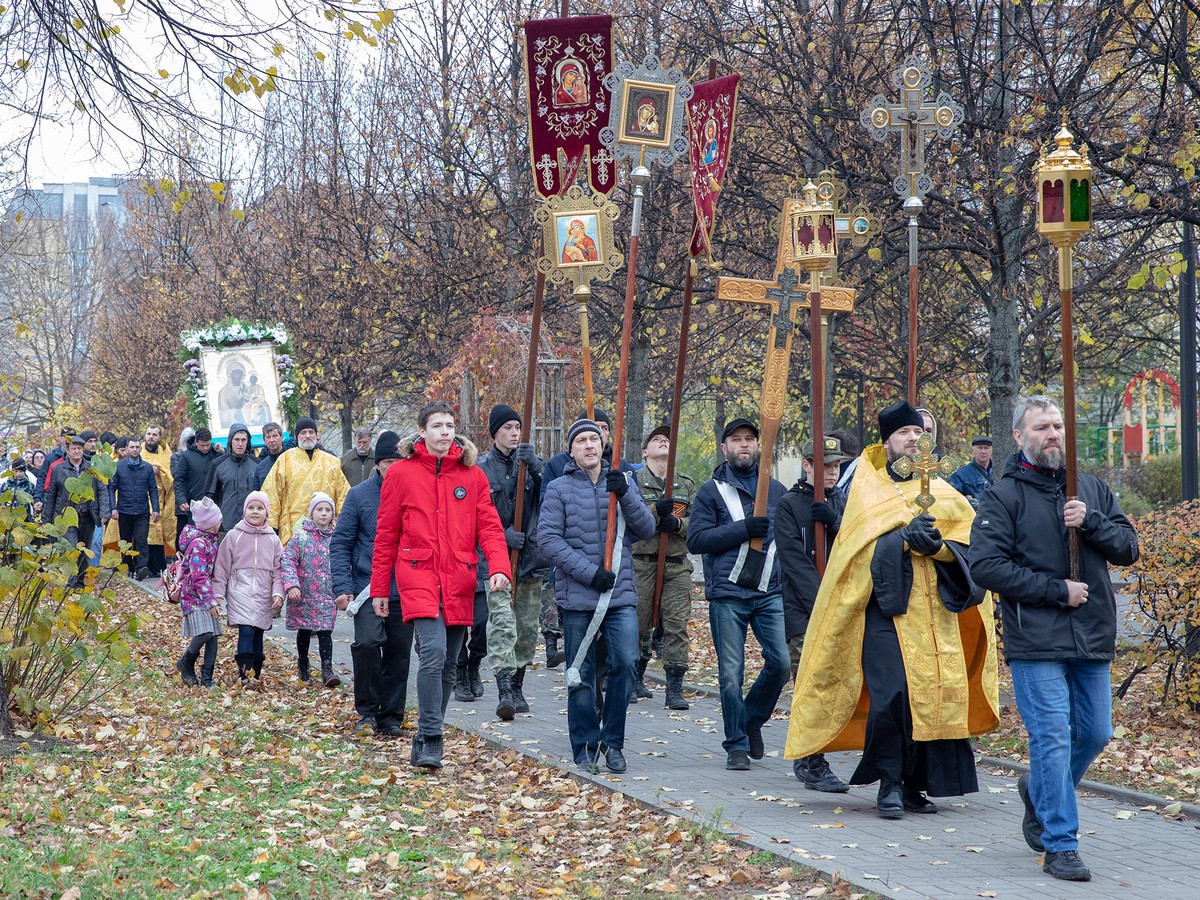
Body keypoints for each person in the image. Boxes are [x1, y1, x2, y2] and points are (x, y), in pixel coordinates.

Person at [784, 400, 999, 819]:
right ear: (888, 442)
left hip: (936, 613)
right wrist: (900, 539)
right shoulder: (868, 489)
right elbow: (854, 554)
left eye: (920, 434)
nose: (914, 440)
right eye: (905, 434)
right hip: (884, 610)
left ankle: (917, 786)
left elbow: (971, 546)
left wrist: (938, 548)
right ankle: (889, 784)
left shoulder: (943, 488)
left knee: (933, 697)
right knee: (894, 695)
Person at [969, 396, 1138, 882]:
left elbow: (1128, 549)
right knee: (1051, 739)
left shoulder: (1091, 489)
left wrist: (1090, 521)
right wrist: (1055, 591)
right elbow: (986, 566)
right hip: (1035, 636)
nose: (1053, 434)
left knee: (1095, 733)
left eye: (1058, 426)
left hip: (1092, 636)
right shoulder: (1003, 496)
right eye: (1042, 427)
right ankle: (1060, 844)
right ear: (1020, 437)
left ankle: (1037, 791)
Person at [370, 401, 512, 769]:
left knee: (451, 661)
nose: (445, 431)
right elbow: (386, 535)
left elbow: (490, 527)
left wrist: (499, 567)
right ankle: (433, 735)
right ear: (422, 431)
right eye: (437, 425)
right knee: (432, 650)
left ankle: (425, 733)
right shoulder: (400, 474)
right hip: (417, 573)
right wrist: (379, 589)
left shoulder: (472, 476)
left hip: (459, 577)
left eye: (450, 425)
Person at [538, 418, 656, 774]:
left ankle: (614, 742)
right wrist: (591, 574)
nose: (590, 445)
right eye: (582, 441)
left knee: (625, 663)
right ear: (571, 450)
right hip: (578, 598)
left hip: (620, 597)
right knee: (582, 675)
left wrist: (627, 495)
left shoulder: (622, 482)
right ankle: (585, 746)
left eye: (595, 438)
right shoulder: (558, 488)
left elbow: (646, 529)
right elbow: (548, 541)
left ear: (604, 444)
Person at [687, 418, 790, 771]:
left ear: (758, 446)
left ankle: (751, 720)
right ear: (724, 448)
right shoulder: (710, 491)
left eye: (749, 439)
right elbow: (697, 540)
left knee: (781, 663)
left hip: (768, 590)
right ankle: (736, 743)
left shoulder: (776, 489)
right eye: (736, 440)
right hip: (727, 593)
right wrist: (743, 529)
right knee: (731, 672)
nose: (743, 445)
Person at [774, 434, 853, 793]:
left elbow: (857, 547)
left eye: (836, 465)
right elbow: (793, 561)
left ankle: (813, 757)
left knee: (835, 683)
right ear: (807, 466)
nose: (832, 472)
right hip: (805, 610)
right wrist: (824, 603)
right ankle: (812, 761)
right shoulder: (789, 505)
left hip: (844, 607)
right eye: (825, 466)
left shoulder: (845, 502)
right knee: (810, 682)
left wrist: (835, 521)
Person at [332, 431, 414, 736]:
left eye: (397, 461)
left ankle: (391, 715)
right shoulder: (358, 495)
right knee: (366, 644)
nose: (392, 468)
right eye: (387, 462)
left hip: (404, 586)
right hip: (367, 586)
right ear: (377, 464)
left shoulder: (413, 493)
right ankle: (367, 711)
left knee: (399, 651)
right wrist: (342, 587)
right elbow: (341, 543)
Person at [470, 404, 547, 720]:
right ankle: (503, 689)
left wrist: (538, 468)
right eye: (508, 427)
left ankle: (517, 685)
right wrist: (502, 536)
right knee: (502, 621)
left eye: (518, 426)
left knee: (527, 628)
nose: (515, 432)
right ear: (495, 433)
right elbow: (473, 516)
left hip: (529, 560)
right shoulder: (481, 469)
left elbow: (553, 497)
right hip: (496, 560)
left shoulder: (531, 465)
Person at [631, 425, 696, 710]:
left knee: (676, 626)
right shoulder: (634, 482)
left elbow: (700, 523)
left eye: (667, 439)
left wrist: (679, 524)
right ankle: (633, 677)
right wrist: (656, 511)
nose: (663, 441)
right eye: (656, 439)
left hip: (676, 566)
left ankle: (674, 687)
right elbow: (630, 519)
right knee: (637, 624)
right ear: (645, 452)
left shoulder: (686, 484)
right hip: (642, 564)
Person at [214, 491, 284, 685]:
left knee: (258, 633)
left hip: (263, 592)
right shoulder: (233, 536)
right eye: (251, 508)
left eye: (260, 508)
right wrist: (218, 594)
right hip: (240, 591)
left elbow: (280, 570)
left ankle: (256, 675)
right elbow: (221, 567)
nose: (255, 512)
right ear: (245, 511)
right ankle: (246, 675)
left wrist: (278, 592)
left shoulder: (273, 540)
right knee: (246, 631)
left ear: (267, 512)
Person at [282, 492, 341, 687]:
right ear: (311, 513)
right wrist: (291, 585)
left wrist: (342, 589)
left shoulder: (337, 539)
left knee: (325, 631)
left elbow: (343, 563)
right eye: (319, 509)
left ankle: (327, 669)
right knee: (304, 630)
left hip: (326, 594)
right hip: (303, 594)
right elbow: (288, 560)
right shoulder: (301, 537)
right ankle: (303, 665)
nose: (323, 514)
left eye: (327, 510)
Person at [262, 416, 349, 545]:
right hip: (293, 528)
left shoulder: (332, 462)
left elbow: (344, 495)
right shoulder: (285, 459)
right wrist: (271, 526)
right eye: (303, 433)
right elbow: (272, 493)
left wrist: (344, 523)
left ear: (316, 434)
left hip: (326, 527)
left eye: (311, 432)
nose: (307, 436)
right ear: (297, 436)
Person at [42, 434, 111, 589]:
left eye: (79, 449)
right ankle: (70, 583)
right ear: (68, 450)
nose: (77, 452)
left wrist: (104, 512)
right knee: (71, 548)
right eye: (74, 448)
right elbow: (51, 495)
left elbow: (101, 490)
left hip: (88, 515)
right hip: (66, 516)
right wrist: (47, 520)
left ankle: (79, 583)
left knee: (85, 550)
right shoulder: (59, 469)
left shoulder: (91, 469)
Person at [175, 497, 224, 688]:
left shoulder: (210, 541)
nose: (221, 521)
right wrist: (211, 601)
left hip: (205, 595)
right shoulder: (198, 545)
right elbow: (199, 576)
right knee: (204, 633)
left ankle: (207, 677)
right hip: (194, 597)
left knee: (213, 636)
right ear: (211, 523)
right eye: (218, 519)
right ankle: (186, 662)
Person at [108, 437, 160, 579]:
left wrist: (156, 509)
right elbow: (111, 488)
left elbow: (153, 490)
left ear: (140, 449)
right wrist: (113, 508)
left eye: (137, 447)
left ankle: (141, 567)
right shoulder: (118, 467)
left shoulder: (148, 468)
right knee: (125, 541)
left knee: (141, 539)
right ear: (127, 449)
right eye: (132, 447)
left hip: (142, 511)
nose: (135, 450)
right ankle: (127, 566)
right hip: (124, 511)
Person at [204, 424, 258, 534]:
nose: (240, 444)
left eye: (243, 440)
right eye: (236, 440)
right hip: (225, 526)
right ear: (230, 441)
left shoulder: (257, 464)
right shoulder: (218, 464)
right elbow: (209, 497)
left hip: (252, 525)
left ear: (248, 442)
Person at [141, 424, 178, 576]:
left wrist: (160, 471)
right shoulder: (139, 453)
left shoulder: (167, 456)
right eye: (148, 433)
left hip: (162, 498)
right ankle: (142, 566)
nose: (151, 437)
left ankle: (158, 567)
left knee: (158, 530)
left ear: (159, 437)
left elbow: (171, 477)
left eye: (154, 434)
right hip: (142, 499)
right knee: (143, 532)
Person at [174, 427, 217, 533]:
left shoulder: (216, 453)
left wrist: (221, 451)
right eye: (202, 445)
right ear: (196, 442)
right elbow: (179, 479)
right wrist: (181, 499)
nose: (206, 448)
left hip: (214, 505)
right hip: (194, 505)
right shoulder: (186, 456)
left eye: (208, 444)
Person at [949, 436, 994, 508]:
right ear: (973, 450)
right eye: (980, 448)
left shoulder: (1000, 471)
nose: (983, 452)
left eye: (986, 448)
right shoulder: (961, 474)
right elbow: (954, 499)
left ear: (991, 450)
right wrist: (968, 501)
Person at [253, 422, 287, 490]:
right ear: (264, 440)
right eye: (268, 437)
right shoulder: (261, 467)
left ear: (282, 437)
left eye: (275, 436)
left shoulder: (293, 460)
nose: (272, 440)